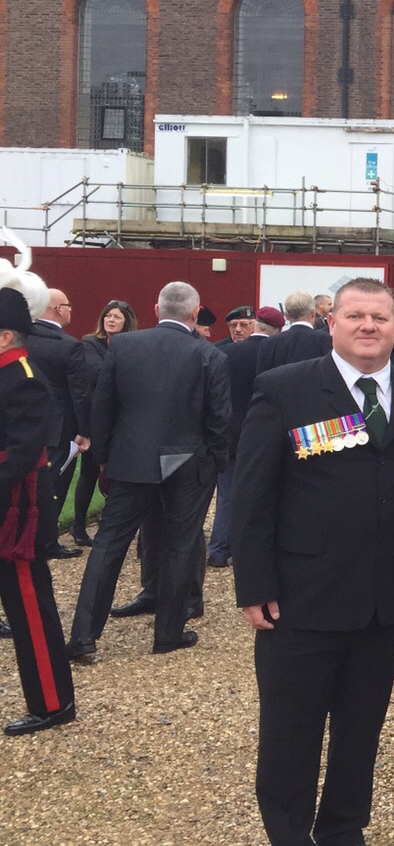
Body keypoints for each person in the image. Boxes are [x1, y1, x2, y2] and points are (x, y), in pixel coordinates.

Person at [230, 278, 394, 846]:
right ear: (332, 322)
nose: (369, 326)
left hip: (382, 602)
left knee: (360, 728)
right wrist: (255, 583)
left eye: (381, 317)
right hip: (301, 599)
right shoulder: (287, 389)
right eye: (356, 316)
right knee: (292, 731)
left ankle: (343, 833)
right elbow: (252, 496)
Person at [67, 282, 231, 661]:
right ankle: (168, 632)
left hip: (131, 459)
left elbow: (102, 407)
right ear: (195, 313)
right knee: (180, 542)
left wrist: (104, 457)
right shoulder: (209, 355)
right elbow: (220, 419)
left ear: (157, 310)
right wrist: (214, 463)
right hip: (190, 462)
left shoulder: (123, 346)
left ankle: (84, 636)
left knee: (109, 544)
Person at [0, 286, 76, 735]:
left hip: (16, 514)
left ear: (6, 336)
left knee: (29, 609)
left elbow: (23, 452)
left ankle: (53, 702)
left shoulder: (23, 377)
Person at [208, 308, 275, 568]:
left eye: (243, 324)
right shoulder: (271, 353)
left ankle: (219, 549)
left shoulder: (223, 353)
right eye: (233, 324)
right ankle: (241, 549)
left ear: (254, 325)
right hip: (254, 433)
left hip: (230, 433)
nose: (237, 329)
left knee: (228, 494)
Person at [66, 299, 136, 546]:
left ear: (127, 321)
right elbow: (92, 377)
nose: (111, 320)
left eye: (117, 317)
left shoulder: (133, 345)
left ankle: (111, 523)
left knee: (119, 475)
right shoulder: (89, 344)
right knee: (89, 473)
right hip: (97, 420)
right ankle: (78, 527)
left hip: (123, 421)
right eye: (108, 316)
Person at [26, 288, 89, 562]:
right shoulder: (70, 346)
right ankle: (46, 542)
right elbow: (80, 393)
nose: (71, 310)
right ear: (57, 309)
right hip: (58, 428)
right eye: (69, 305)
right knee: (53, 485)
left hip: (21, 423)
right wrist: (85, 431)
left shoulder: (19, 339)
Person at [257, 291, 332, 373]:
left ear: (286, 315)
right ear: (313, 312)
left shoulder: (269, 343)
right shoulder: (326, 340)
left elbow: (262, 379)